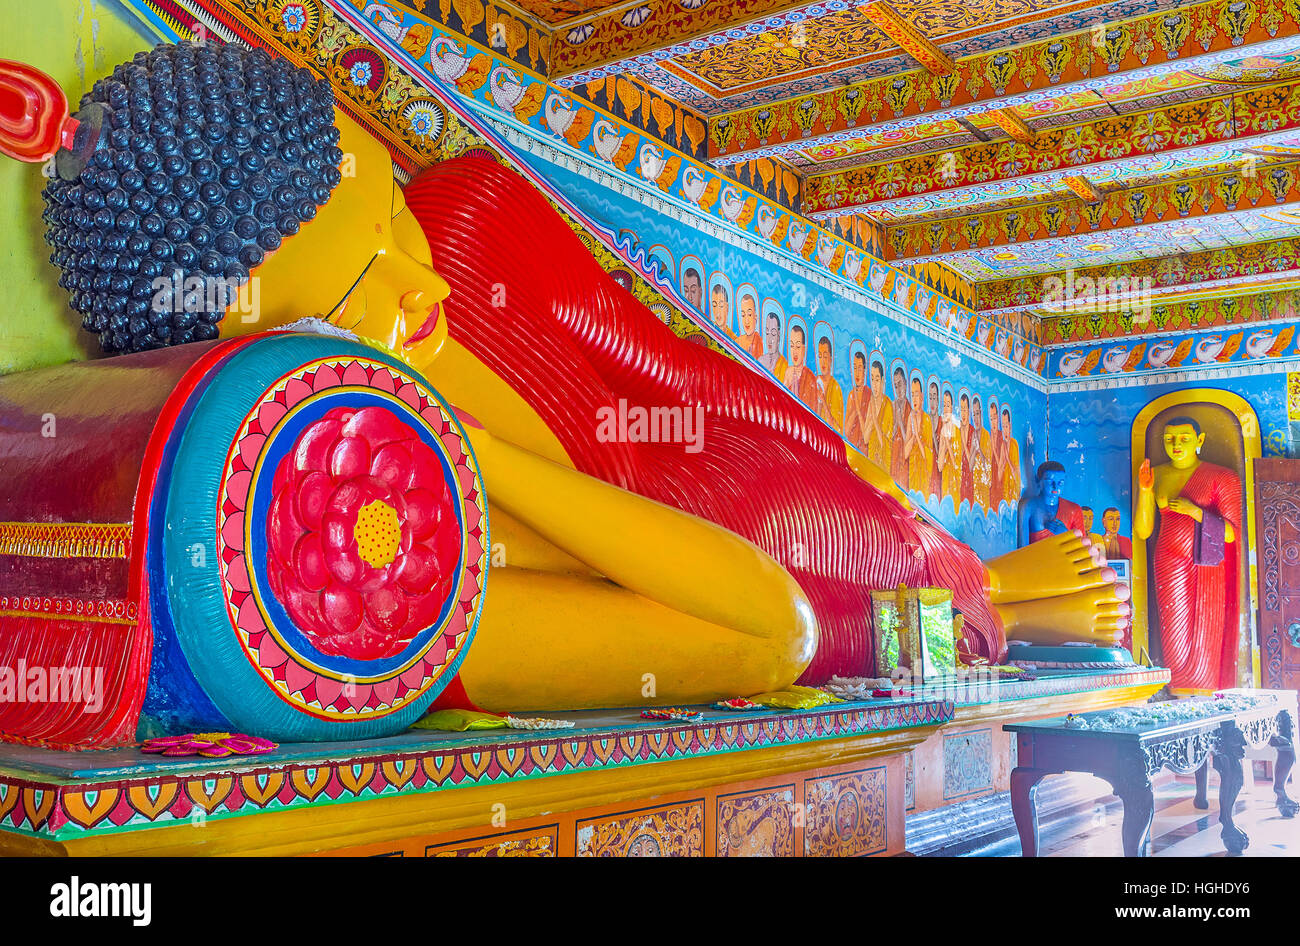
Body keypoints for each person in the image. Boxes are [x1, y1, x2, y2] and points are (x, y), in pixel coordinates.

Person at [1, 43, 1133, 726]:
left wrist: (823, 443)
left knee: (877, 525)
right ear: (264, 366)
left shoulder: (468, 219)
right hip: (748, 568)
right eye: (350, 302)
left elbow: (674, 361)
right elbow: (771, 631)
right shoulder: (366, 532)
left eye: (387, 220)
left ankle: (981, 576)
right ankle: (999, 600)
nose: (413, 286)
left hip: (759, 463)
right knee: (863, 615)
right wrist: (461, 450)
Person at [1135, 417, 1242, 692]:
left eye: (1184, 438)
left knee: (1204, 627)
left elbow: (1232, 533)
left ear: (1200, 440)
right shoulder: (1157, 474)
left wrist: (1194, 511)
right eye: (1169, 439)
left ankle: (1205, 689)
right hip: (1168, 559)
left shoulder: (1222, 476)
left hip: (1207, 563)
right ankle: (1178, 690)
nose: (1176, 445)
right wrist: (1145, 491)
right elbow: (1143, 530)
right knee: (1174, 629)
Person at [903, 376, 932, 494]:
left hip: (925, 477)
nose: (914, 399)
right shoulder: (911, 419)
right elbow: (905, 453)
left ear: (922, 396)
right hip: (913, 473)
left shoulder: (927, 420)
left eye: (917, 394)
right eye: (912, 395)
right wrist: (913, 434)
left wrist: (917, 435)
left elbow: (927, 456)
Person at [783, 324, 821, 411]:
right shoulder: (788, 372)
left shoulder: (810, 378)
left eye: (798, 347)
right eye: (792, 346)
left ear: (803, 349)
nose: (794, 352)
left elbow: (813, 411)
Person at [844, 350, 871, 452]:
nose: (857, 373)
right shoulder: (852, 395)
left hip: (865, 451)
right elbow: (846, 431)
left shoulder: (869, 395)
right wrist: (855, 411)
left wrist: (859, 411)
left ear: (864, 370)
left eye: (860, 368)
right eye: (855, 368)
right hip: (852, 447)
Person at [815, 336, 843, 431]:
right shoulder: (815, 382)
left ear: (830, 359)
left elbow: (837, 429)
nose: (822, 361)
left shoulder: (835, 388)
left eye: (825, 356)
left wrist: (823, 400)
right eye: (820, 356)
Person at [939, 388, 962, 504]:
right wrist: (943, 442)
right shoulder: (943, 431)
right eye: (944, 405)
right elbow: (940, 466)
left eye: (948, 405)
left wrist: (947, 442)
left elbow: (955, 463)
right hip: (945, 482)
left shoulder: (956, 431)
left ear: (952, 407)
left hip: (954, 483)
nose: (946, 409)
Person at [890, 366, 911, 487]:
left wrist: (900, 423)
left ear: (906, 384)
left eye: (900, 384)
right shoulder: (892, 407)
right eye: (896, 386)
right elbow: (889, 438)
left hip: (904, 465)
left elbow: (908, 444)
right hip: (893, 460)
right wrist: (895, 424)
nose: (898, 389)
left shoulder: (911, 412)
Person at [987, 398, 1005, 511]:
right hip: (989, 478)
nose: (993, 422)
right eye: (991, 418)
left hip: (999, 479)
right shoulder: (988, 436)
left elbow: (1001, 466)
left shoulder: (1001, 437)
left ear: (998, 419)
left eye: (995, 418)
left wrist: (994, 448)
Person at [1001, 406, 1021, 506]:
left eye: (1006, 426)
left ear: (1010, 426)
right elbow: (1000, 468)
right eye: (1003, 426)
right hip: (1005, 486)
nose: (1005, 430)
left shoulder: (1014, 444)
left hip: (1013, 486)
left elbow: (1016, 470)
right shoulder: (1002, 445)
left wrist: (1007, 458)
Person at [759, 311, 788, 378]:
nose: (769, 339)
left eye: (773, 334)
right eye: (767, 333)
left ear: (779, 334)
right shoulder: (761, 361)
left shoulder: (784, 366)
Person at [926, 380, 942, 501]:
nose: (932, 401)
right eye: (930, 397)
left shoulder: (943, 423)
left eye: (934, 397)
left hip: (937, 474)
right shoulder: (925, 419)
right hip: (926, 471)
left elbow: (940, 455)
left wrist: (932, 433)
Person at [736, 293, 763, 359]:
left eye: (750, 314)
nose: (746, 321)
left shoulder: (761, 344)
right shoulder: (738, 342)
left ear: (755, 316)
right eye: (743, 315)